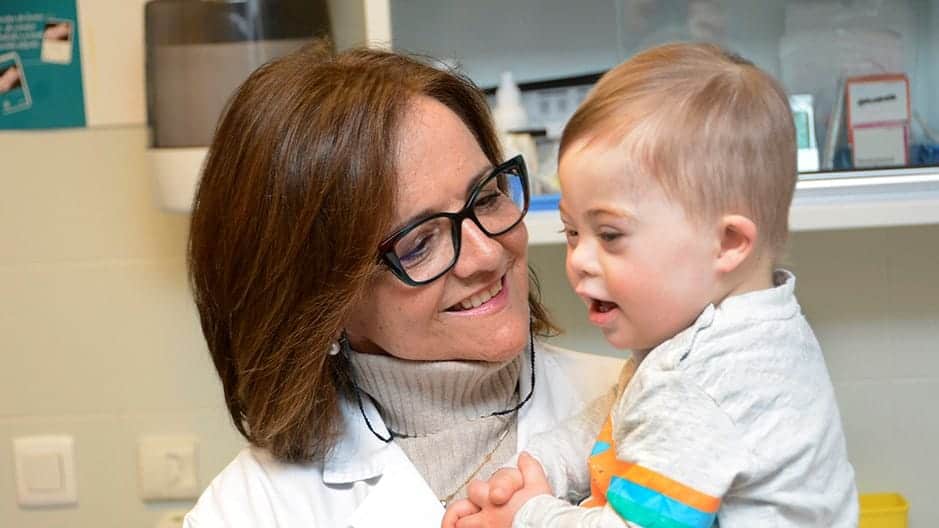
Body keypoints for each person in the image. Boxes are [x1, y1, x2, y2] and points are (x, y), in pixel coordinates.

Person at [183, 41, 623, 527]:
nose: (487, 253)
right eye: (418, 243)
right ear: (319, 304)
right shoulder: (252, 511)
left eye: (487, 195)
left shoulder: (651, 400)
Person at [443, 42, 858, 528]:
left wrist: (526, 515)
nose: (579, 260)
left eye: (610, 235)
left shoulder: (697, 383)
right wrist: (534, 471)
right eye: (572, 232)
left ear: (726, 242)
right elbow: (624, 418)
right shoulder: (747, 332)